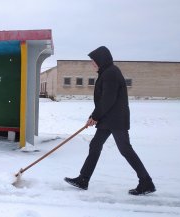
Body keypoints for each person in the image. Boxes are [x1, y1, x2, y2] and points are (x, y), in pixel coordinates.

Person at [64, 46, 156, 195]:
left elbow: (108, 99)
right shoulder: (107, 72)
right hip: (108, 118)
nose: (92, 64)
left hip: (116, 119)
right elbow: (104, 100)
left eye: (93, 61)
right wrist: (93, 116)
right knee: (95, 145)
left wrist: (96, 116)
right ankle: (83, 179)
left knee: (125, 149)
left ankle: (146, 182)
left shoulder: (111, 73)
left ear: (101, 60)